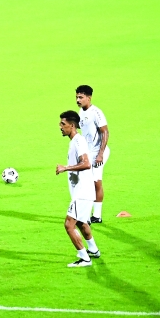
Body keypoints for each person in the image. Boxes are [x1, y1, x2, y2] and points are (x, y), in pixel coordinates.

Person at [56, 111, 101, 268]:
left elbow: (86, 163)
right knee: (82, 222)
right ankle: (93, 250)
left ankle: (84, 258)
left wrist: (65, 168)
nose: (60, 127)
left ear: (72, 125)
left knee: (69, 225)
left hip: (82, 192)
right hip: (83, 191)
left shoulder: (78, 141)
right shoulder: (74, 141)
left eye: (63, 124)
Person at [76, 85, 111, 224]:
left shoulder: (96, 112)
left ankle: (95, 215)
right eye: (77, 97)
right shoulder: (81, 111)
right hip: (89, 152)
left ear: (89, 98)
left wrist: (100, 154)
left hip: (98, 152)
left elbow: (105, 132)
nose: (78, 100)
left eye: (81, 97)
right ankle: (91, 215)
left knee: (95, 182)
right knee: (87, 182)